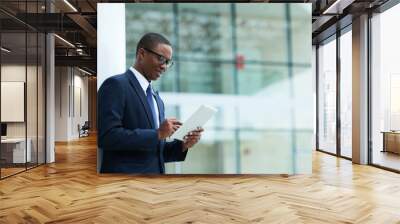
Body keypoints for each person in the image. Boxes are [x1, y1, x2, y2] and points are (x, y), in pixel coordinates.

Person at [98, 33, 203, 174]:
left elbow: (156, 154)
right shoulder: (116, 85)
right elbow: (107, 137)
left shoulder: (157, 99)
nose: (164, 67)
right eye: (161, 58)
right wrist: (158, 133)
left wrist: (183, 145)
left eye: (168, 62)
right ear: (142, 53)